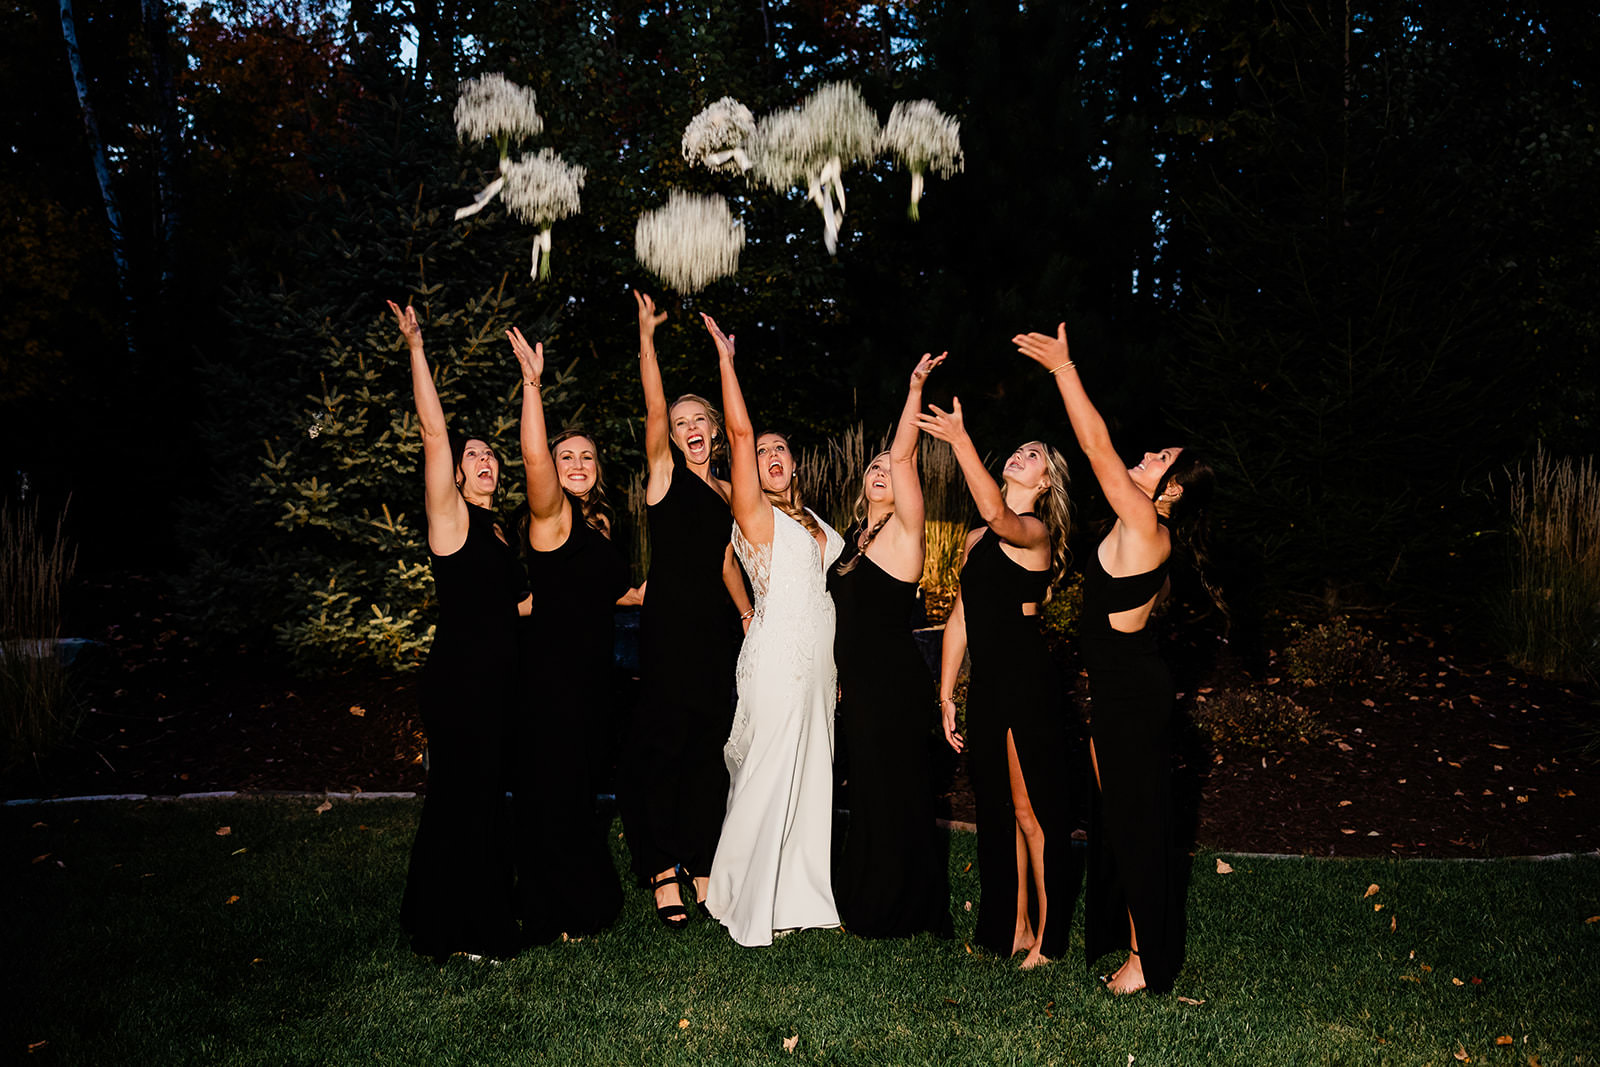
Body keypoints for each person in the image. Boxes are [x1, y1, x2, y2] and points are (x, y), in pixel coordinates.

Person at [1013, 322, 1217, 994]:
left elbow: (1097, 449)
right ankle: (1135, 945)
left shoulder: (1147, 526)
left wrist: (1065, 369)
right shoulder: (1135, 528)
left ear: (1173, 492)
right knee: (1121, 824)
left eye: (1160, 459)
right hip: (1120, 692)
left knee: (1136, 827)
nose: (1146, 455)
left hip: (1133, 698)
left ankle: (1146, 960)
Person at [387, 299, 526, 962]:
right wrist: (417, 346)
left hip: (496, 684)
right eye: (474, 455)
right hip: (460, 683)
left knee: (479, 798)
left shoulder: (501, 533)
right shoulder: (453, 522)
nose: (483, 461)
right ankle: (460, 929)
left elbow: (520, 607)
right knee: (462, 799)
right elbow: (434, 435)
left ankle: (446, 917)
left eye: (491, 456)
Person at [700, 312, 843, 947]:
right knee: (769, 771)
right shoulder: (751, 511)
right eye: (760, 452)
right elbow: (737, 427)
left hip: (816, 662)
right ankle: (740, 890)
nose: (770, 455)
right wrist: (728, 366)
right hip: (778, 657)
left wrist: (834, 669)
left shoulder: (811, 516)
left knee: (812, 770)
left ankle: (801, 893)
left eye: (779, 448)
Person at [916, 396, 1073, 970]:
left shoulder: (1031, 533)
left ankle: (1049, 942)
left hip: (1026, 679)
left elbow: (999, 514)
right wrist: (946, 692)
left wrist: (959, 441)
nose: (1020, 455)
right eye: (1019, 450)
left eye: (1033, 456)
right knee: (997, 809)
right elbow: (961, 614)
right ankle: (1011, 926)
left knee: (1033, 813)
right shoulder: (976, 539)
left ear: (1047, 480)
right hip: (986, 684)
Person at [619, 290, 753, 929]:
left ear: (714, 432)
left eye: (700, 420)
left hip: (718, 633)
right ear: (670, 438)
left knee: (708, 748)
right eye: (681, 424)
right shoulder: (664, 478)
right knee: (665, 748)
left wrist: (750, 616)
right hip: (671, 630)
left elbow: (733, 560)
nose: (692, 429)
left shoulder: (728, 490)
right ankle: (663, 868)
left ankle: (703, 858)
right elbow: (651, 405)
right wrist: (647, 339)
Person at [506, 325, 643, 942]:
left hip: (594, 675)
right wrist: (533, 387)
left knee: (581, 789)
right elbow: (533, 457)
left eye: (587, 456)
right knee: (556, 790)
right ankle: (557, 907)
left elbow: (608, 591)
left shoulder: (604, 525)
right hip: (552, 676)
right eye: (568, 457)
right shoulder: (550, 516)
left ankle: (575, 896)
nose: (578, 464)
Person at [827, 350, 953, 939]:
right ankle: (865, 896)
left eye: (889, 467)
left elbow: (903, 452)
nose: (882, 468)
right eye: (873, 466)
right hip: (860, 685)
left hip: (894, 684)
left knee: (896, 790)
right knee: (871, 791)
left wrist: (914, 386)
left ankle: (903, 908)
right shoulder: (852, 539)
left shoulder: (906, 529)